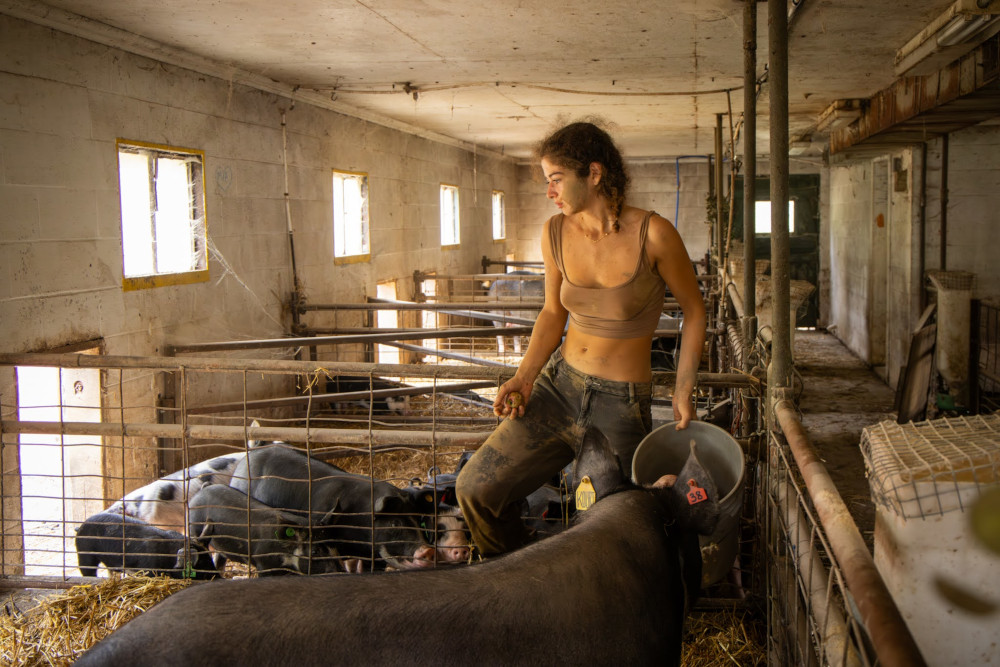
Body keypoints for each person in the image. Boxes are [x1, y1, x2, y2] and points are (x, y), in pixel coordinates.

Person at [455, 121, 706, 557]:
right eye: (546, 181)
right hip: (557, 388)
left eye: (556, 179)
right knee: (476, 490)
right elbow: (553, 313)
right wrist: (524, 377)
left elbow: (695, 310)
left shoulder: (654, 233)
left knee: (612, 529)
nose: (549, 192)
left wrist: (683, 388)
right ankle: (519, 577)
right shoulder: (554, 232)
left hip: (619, 405)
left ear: (593, 173)